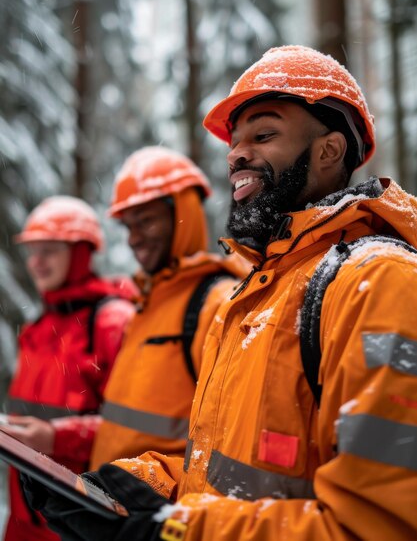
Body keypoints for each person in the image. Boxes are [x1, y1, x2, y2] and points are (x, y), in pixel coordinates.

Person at [27, 46, 417, 541]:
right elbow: (222, 472)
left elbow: (378, 525)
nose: (237, 154)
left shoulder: (380, 284)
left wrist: (175, 532)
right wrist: (137, 486)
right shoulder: (253, 296)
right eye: (234, 143)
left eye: (264, 134)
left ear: (329, 151)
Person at [89, 146, 246, 469]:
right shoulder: (146, 305)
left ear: (182, 217)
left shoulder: (216, 303)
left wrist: (149, 494)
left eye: (145, 221)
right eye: (129, 226)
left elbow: (227, 448)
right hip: (111, 508)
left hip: (156, 513)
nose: (133, 239)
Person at [2, 196, 136, 541]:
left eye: (50, 250)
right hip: (27, 516)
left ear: (80, 253)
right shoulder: (37, 328)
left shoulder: (112, 321)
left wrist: (56, 437)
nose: (37, 262)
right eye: (33, 251)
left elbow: (136, 429)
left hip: (80, 520)